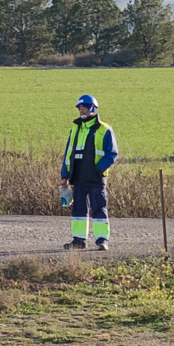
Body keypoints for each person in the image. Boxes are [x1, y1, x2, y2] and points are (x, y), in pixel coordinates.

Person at [60, 93, 117, 250]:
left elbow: (112, 154)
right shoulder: (75, 128)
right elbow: (68, 153)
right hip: (78, 176)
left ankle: (102, 241)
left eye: (84, 107)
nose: (81, 110)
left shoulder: (105, 129)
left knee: (99, 208)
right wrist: (65, 174)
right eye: (79, 108)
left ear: (93, 108)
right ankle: (78, 241)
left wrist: (98, 169)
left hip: (96, 177)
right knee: (78, 210)